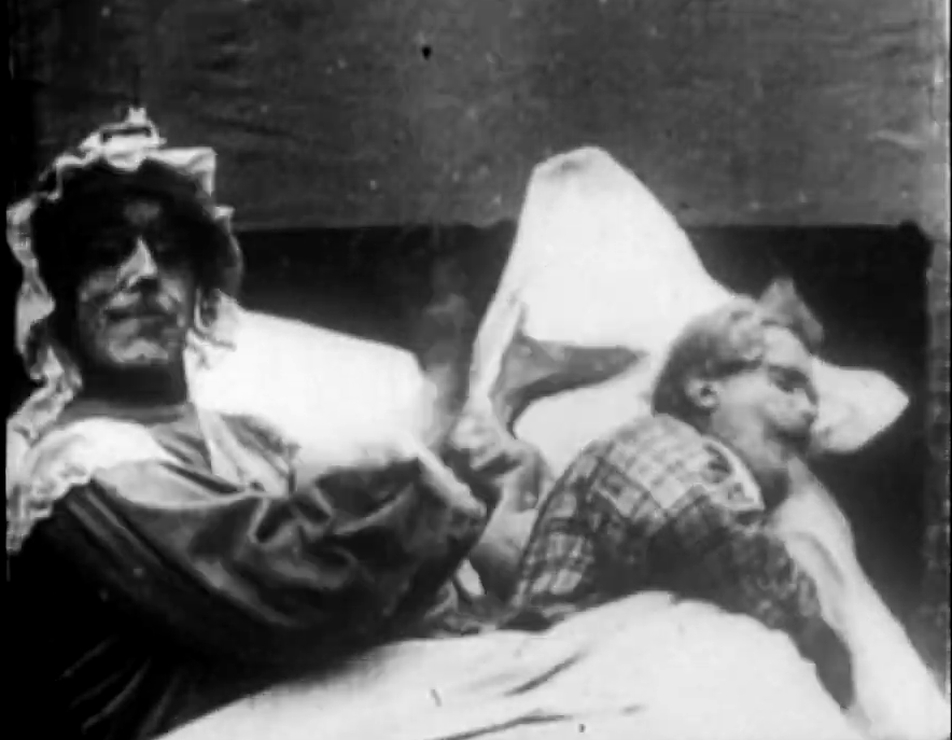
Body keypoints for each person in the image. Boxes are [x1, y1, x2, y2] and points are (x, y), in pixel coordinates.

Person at [6, 111, 495, 740]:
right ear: (60, 299)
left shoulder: (241, 435)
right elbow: (292, 589)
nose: (145, 272)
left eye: (171, 254)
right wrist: (427, 489)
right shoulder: (79, 469)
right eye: (106, 255)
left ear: (200, 288)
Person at [506, 280, 856, 707]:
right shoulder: (653, 440)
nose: (810, 411)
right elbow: (701, 520)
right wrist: (816, 635)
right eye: (785, 383)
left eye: (813, 398)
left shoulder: (730, 487)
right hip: (556, 679)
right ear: (705, 388)